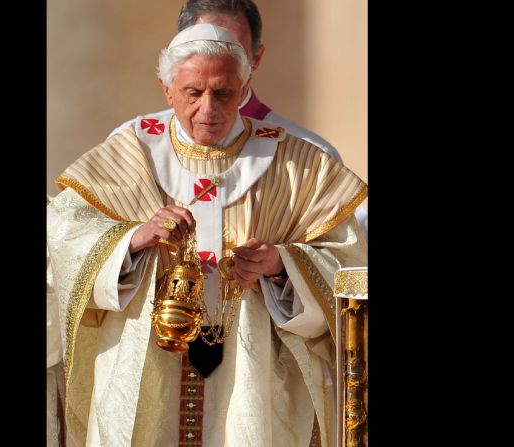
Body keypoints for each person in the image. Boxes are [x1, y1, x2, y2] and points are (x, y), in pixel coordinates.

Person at [47, 24, 367, 446]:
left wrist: (283, 266)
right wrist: (132, 240)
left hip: (253, 376)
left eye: (223, 93)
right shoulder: (130, 153)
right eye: (192, 93)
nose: (208, 109)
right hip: (148, 370)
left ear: (246, 86)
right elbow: (63, 237)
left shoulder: (298, 164)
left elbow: (350, 265)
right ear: (166, 89)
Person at [109, 0, 368, 240]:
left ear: (255, 60)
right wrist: (132, 239)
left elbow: (348, 255)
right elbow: (78, 236)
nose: (216, 56)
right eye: (203, 45)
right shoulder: (133, 145)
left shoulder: (308, 157)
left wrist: (280, 264)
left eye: (232, 49)